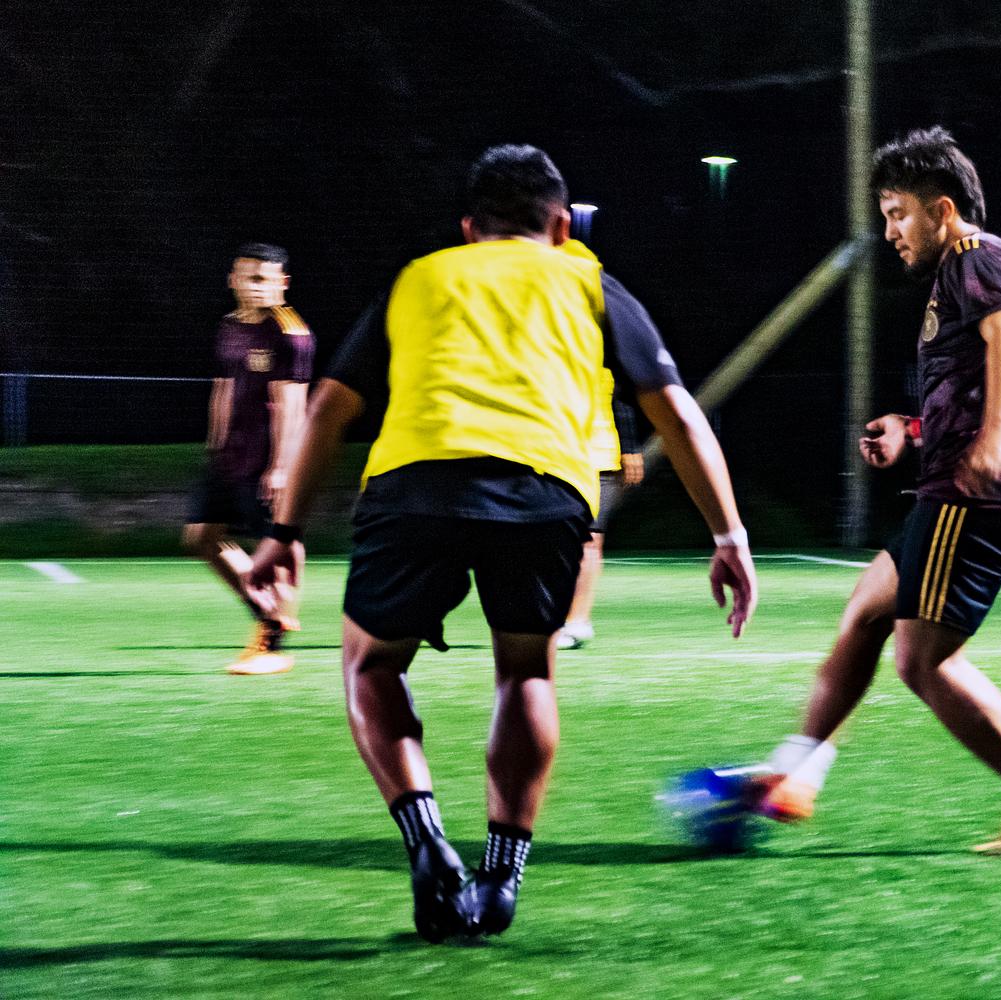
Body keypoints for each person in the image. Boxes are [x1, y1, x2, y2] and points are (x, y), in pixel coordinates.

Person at [245, 144, 757, 942]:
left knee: (371, 664)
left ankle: (425, 840)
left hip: (416, 486)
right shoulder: (589, 281)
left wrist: (283, 531)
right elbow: (678, 414)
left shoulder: (420, 277)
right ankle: (501, 874)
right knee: (525, 670)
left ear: (467, 228)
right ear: (561, 225)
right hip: (545, 492)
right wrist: (728, 534)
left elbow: (328, 409)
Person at [755, 126, 1001, 855]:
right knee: (866, 612)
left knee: (922, 658)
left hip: (978, 493)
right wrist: (911, 429)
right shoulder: (968, 271)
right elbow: (976, 374)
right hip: (977, 486)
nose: (890, 232)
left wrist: (996, 439)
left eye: (897, 213)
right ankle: (795, 772)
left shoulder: (976, 256)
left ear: (942, 210)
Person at [182, 242, 313, 675]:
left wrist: (282, 468)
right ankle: (269, 613)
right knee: (200, 537)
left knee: (275, 544)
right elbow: (222, 389)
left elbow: (292, 405)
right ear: (232, 280)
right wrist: (214, 447)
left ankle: (271, 642)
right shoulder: (229, 326)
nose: (254, 286)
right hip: (229, 456)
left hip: (266, 457)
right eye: (247, 277)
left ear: (282, 283)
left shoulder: (290, 333)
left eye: (263, 279)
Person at [558, 329, 645, 651]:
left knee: (590, 540)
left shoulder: (606, 347)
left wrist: (630, 447)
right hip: (548, 454)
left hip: (599, 455)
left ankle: (578, 621)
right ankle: (545, 617)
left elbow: (623, 397)